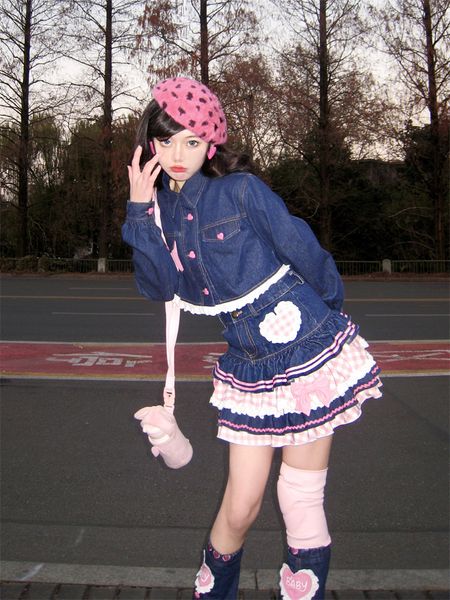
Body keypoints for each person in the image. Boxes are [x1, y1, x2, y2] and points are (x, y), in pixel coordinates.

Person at [122, 76, 382, 600]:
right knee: (239, 507)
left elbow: (303, 250)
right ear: (150, 145)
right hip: (247, 364)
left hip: (306, 348)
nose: (178, 155)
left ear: (211, 144)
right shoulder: (159, 211)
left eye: (192, 141)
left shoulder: (240, 191)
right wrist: (139, 210)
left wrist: (329, 327)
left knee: (298, 498)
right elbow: (159, 286)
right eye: (166, 141)